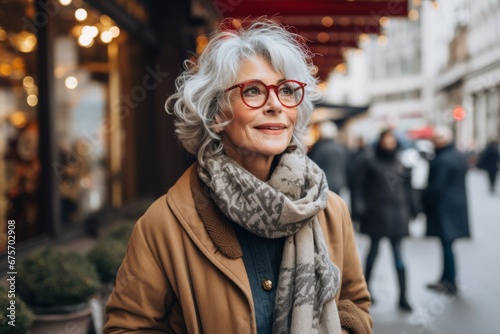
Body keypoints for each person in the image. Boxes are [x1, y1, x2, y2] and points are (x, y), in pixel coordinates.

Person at [104, 20, 372, 334]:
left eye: (286, 90)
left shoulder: (330, 209)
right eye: (254, 91)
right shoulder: (163, 225)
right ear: (216, 114)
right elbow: (127, 328)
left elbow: (356, 305)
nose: (275, 105)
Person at [354, 129, 417, 312]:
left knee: (399, 258)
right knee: (373, 254)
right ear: (380, 141)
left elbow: (408, 189)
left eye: (392, 141)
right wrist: (359, 209)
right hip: (376, 214)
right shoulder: (368, 161)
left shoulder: (401, 162)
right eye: (386, 140)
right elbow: (358, 186)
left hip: (398, 214)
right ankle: (365, 292)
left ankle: (403, 296)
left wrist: (414, 209)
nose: (389, 144)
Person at [422, 126, 470, 296]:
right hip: (454, 206)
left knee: (447, 244)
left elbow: (436, 187)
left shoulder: (443, 159)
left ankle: (449, 282)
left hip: (444, 208)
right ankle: (446, 279)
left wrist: (424, 201)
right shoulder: (456, 156)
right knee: (447, 244)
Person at [308, 120, 348, 194]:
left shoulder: (320, 149)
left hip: (325, 183)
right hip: (339, 183)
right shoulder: (340, 148)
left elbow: (315, 167)